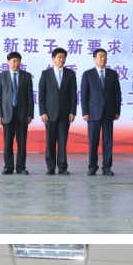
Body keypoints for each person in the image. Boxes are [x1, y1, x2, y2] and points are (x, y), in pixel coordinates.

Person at [80, 45, 121, 176]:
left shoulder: (112, 74)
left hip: (109, 113)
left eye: (105, 57)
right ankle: (92, 167)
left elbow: (117, 94)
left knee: (108, 142)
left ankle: (107, 167)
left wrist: (117, 111)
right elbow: (84, 95)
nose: (103, 59)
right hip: (93, 113)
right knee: (93, 142)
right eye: (100, 57)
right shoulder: (88, 74)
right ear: (94, 58)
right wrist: (85, 112)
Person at [0, 46, 34, 176]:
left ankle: (21, 167)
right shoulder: (2, 76)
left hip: (22, 115)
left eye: (18, 61)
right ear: (8, 62)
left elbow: (30, 97)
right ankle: (8, 167)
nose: (15, 63)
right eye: (13, 61)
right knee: (8, 143)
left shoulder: (26, 76)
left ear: (20, 62)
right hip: (7, 115)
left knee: (22, 143)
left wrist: (30, 114)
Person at [38, 45, 77, 174]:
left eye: (63, 58)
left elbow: (73, 95)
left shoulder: (70, 74)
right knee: (50, 142)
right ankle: (50, 167)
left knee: (62, 141)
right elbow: (41, 95)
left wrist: (72, 111)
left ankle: (62, 167)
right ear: (53, 59)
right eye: (59, 57)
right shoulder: (46, 74)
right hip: (49, 114)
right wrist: (42, 112)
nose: (62, 60)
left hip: (65, 114)